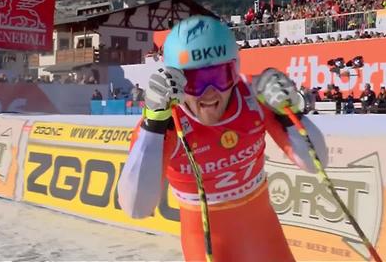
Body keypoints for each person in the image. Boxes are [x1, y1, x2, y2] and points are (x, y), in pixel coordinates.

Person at [117, 16, 328, 262]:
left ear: (236, 70)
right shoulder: (165, 122)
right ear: (175, 81)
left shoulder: (254, 95)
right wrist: (153, 126)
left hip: (264, 235)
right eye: (194, 82)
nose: (209, 94)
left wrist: (290, 111)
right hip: (207, 241)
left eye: (219, 77)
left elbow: (317, 163)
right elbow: (136, 208)